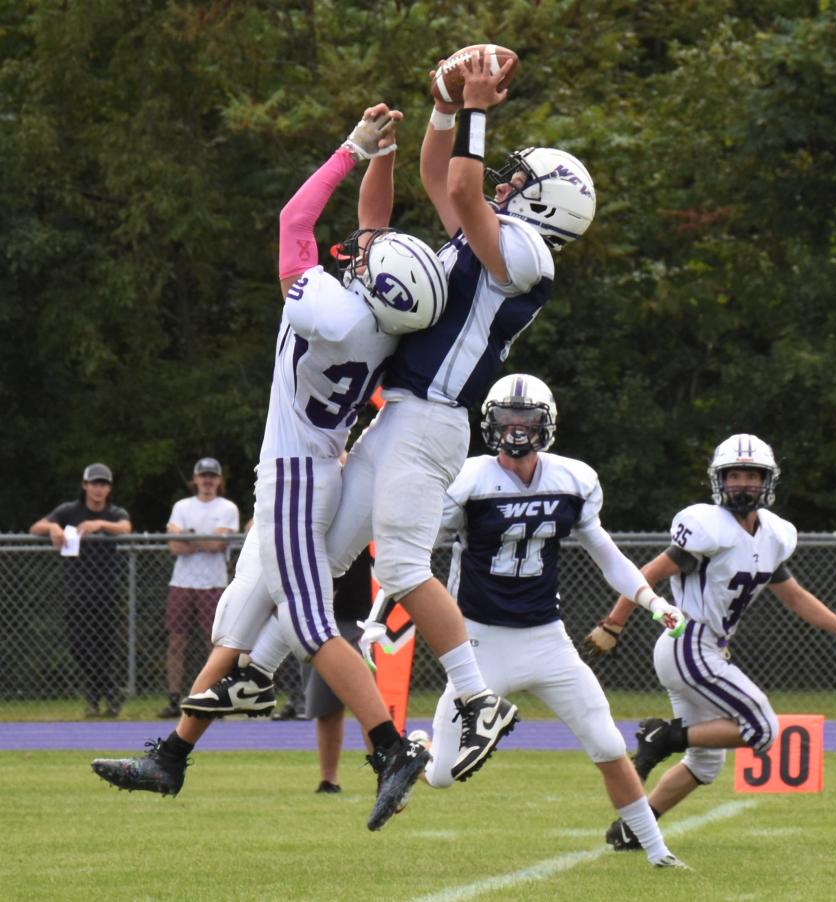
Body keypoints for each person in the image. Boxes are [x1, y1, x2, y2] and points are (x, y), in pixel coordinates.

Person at [180, 53, 598, 785]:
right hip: (401, 414)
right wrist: (441, 108)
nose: (507, 185)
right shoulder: (494, 232)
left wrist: (475, 108)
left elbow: (464, 185)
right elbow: (446, 176)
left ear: (547, 208)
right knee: (325, 558)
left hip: (432, 418)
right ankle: (261, 670)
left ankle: (478, 698)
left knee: (402, 567)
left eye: (522, 184)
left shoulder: (529, 254)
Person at [92, 102, 447, 832]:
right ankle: (172, 757)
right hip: (315, 471)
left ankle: (389, 748)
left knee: (313, 625)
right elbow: (374, 232)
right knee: (240, 618)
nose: (359, 248)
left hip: (293, 477)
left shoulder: (333, 311)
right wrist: (385, 155)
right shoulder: (380, 326)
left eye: (366, 256)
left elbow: (293, 222)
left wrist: (349, 148)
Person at [408, 373, 687, 868]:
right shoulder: (467, 480)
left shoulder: (572, 479)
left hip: (546, 639)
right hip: (477, 643)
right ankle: (419, 751)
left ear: (546, 423)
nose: (517, 428)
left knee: (606, 741)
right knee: (445, 775)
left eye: (527, 418)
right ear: (490, 423)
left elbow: (606, 554)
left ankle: (657, 851)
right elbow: (412, 553)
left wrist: (650, 601)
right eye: (507, 419)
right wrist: (378, 617)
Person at [585, 433, 836, 850]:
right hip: (689, 640)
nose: (743, 484)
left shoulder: (773, 535)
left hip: (704, 649)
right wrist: (614, 624)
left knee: (705, 763)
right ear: (718, 480)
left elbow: (794, 595)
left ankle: (635, 827)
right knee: (762, 727)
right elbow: (646, 574)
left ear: (767, 482)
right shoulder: (708, 527)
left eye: (752, 476)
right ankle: (664, 736)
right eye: (734, 475)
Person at [30, 463, 133, 717]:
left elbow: (125, 527)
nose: (99, 489)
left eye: (104, 484)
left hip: (107, 590)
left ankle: (98, 699)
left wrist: (99, 524)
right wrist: (53, 528)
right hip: (76, 590)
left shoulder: (113, 512)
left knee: (105, 645)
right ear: (85, 485)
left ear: (109, 488)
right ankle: (110, 690)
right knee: (79, 645)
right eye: (94, 483)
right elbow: (36, 527)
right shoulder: (69, 510)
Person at [158, 457, 240, 718]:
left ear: (218, 480)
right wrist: (205, 539)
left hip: (213, 584)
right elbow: (174, 545)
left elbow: (218, 544)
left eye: (212, 476)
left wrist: (190, 538)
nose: (207, 481)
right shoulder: (182, 506)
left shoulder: (227, 507)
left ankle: (214, 697)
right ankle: (173, 698)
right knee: (175, 642)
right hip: (182, 582)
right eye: (202, 476)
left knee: (214, 642)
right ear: (194, 479)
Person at [305, 545, 374, 793]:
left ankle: (386, 772)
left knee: (371, 704)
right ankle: (328, 780)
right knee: (326, 707)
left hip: (368, 620)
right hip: (326, 620)